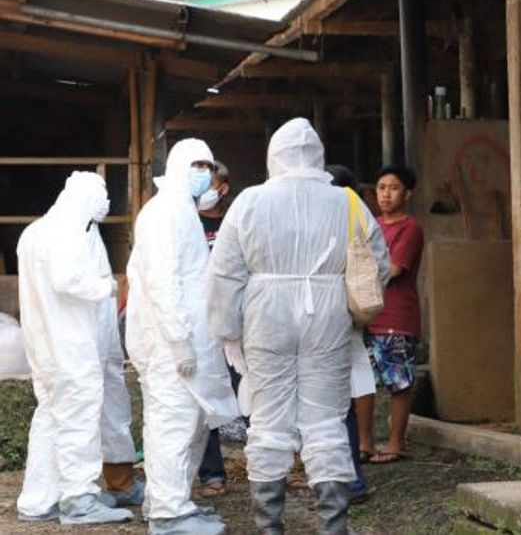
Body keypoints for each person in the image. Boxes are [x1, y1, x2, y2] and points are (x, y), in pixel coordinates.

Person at [207, 119, 388, 535]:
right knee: (326, 418)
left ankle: (270, 525)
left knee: (269, 418)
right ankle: (333, 524)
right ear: (318, 155)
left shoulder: (250, 201)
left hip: (265, 312)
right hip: (326, 312)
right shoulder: (347, 201)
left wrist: (227, 330)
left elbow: (225, 273)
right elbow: (376, 263)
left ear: (275, 156)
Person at [126, 139, 239, 535]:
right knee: (172, 424)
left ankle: (171, 501)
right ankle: (169, 515)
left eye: (207, 165)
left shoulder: (182, 211)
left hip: (190, 339)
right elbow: (162, 283)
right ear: (176, 165)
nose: (203, 172)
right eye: (196, 164)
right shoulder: (163, 213)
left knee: (190, 425)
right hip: (170, 344)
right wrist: (177, 340)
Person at [16, 171, 136, 524]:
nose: (107, 203)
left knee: (51, 419)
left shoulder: (36, 231)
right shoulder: (67, 231)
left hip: (46, 344)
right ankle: (78, 497)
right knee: (79, 420)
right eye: (102, 196)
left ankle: (37, 500)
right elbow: (67, 280)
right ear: (85, 197)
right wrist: (109, 288)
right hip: (71, 344)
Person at [358, 166, 424, 465]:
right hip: (368, 316)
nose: (386, 193)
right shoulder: (371, 225)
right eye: (382, 187)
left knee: (398, 383)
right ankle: (365, 443)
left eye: (394, 188)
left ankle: (396, 443)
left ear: (407, 194)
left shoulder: (410, 229)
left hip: (397, 315)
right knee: (363, 382)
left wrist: (359, 271)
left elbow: (394, 270)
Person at [326, 164, 374, 504]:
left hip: (307, 319)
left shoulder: (306, 207)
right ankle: (352, 479)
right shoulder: (358, 207)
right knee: (344, 404)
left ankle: (331, 479)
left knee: (321, 407)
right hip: (347, 317)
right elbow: (379, 267)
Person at [195, 161, 241, 498]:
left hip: (238, 323)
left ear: (223, 188)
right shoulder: (187, 223)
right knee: (204, 399)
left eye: (209, 183)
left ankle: (273, 468)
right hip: (200, 323)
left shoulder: (236, 221)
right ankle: (212, 473)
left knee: (252, 393)